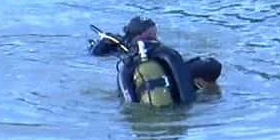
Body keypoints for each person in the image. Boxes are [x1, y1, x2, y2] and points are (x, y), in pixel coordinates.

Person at [88, 16, 223, 107]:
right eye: (151, 35)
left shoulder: (126, 62)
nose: (155, 39)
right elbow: (214, 66)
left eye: (155, 35)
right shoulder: (168, 56)